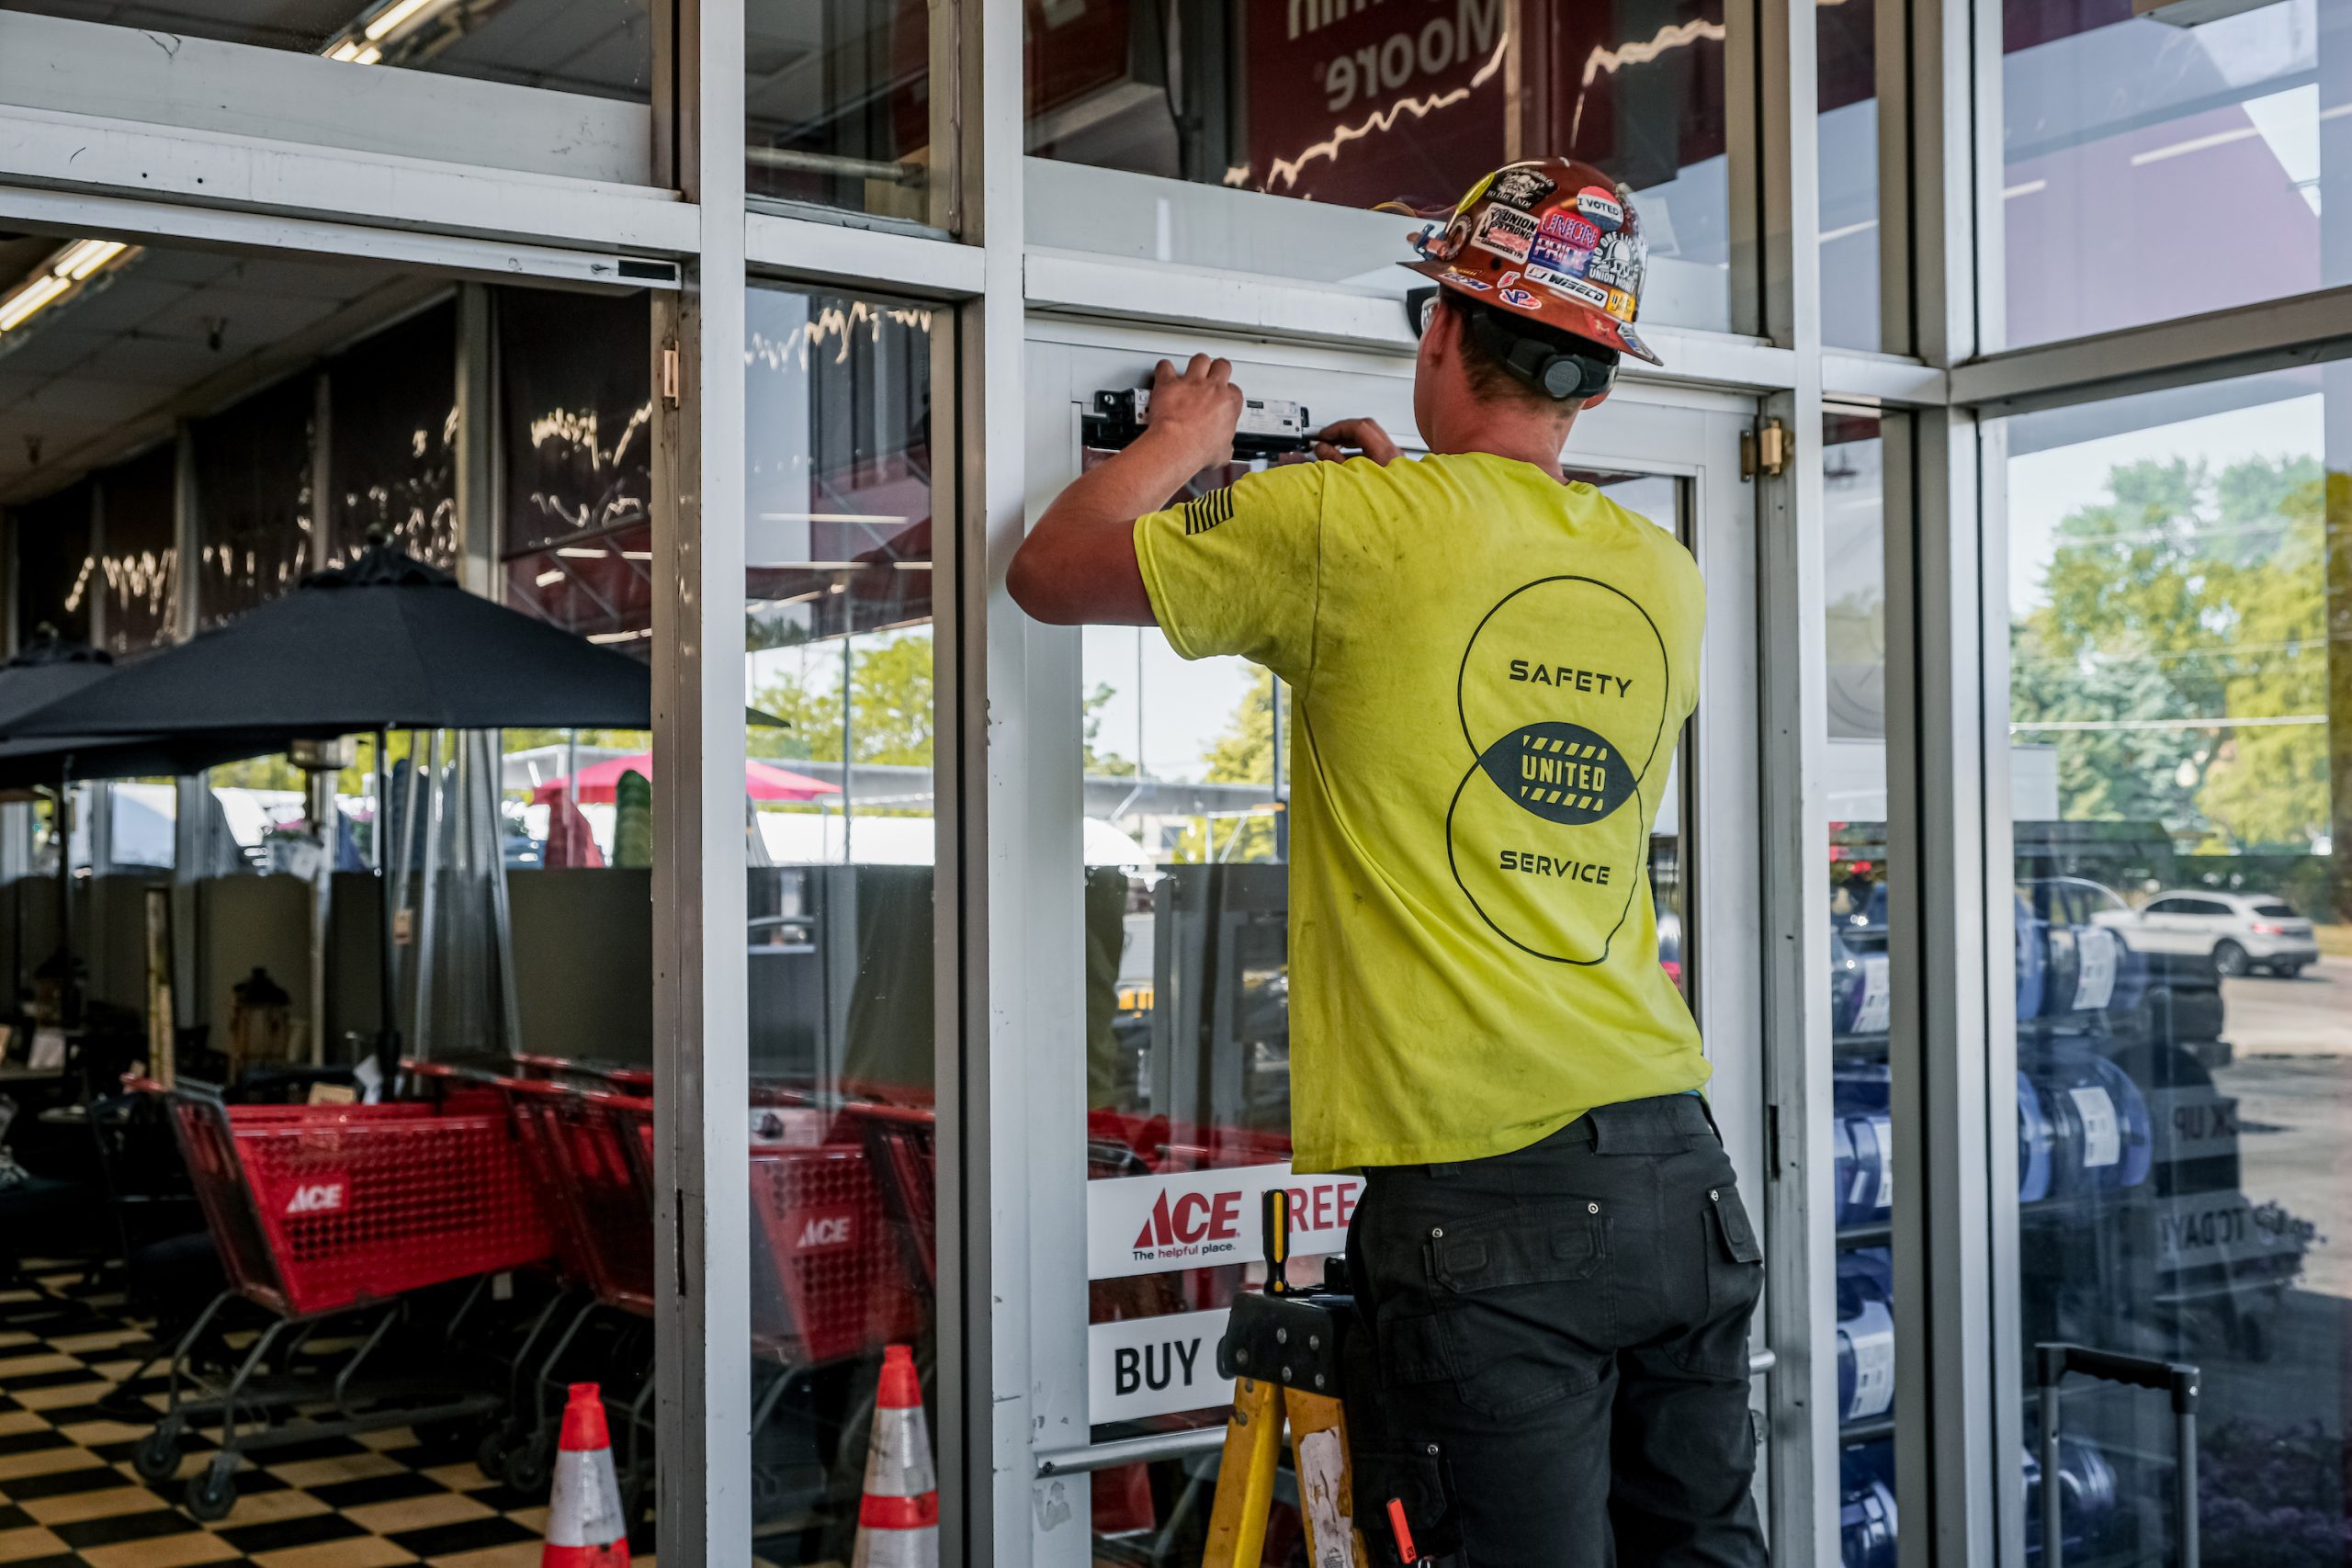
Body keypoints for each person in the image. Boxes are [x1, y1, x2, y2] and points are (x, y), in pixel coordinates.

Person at [1007, 158, 1765, 1568]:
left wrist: (1182, 435)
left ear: (1437, 332)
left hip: (1488, 1195)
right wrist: (1402, 507)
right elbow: (1473, 634)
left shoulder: (1348, 530)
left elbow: (1052, 570)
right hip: (1678, 1165)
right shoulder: (1662, 568)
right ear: (1595, 383)